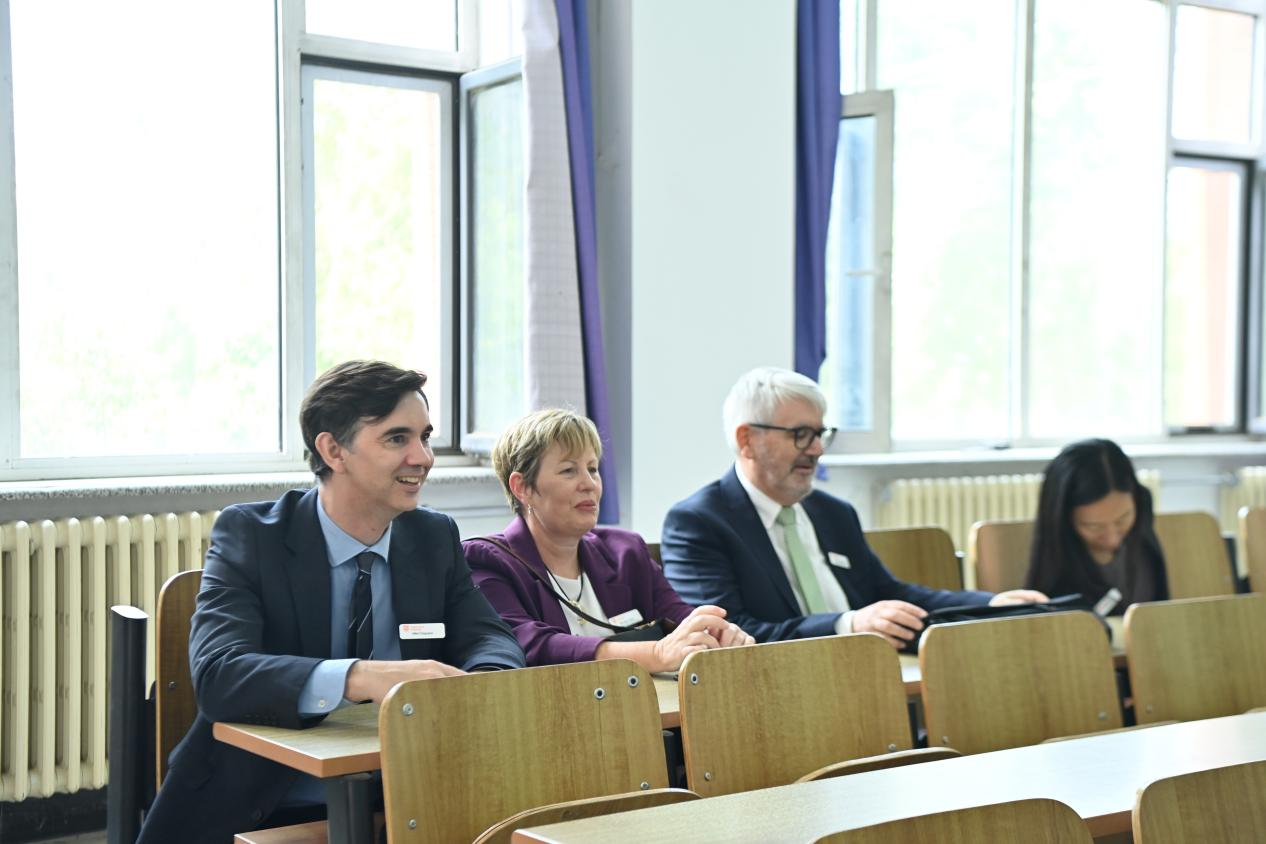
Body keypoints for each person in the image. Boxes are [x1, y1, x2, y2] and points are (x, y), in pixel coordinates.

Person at [138, 361, 524, 844]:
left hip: (404, 792)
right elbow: (220, 673)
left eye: (425, 437)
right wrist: (359, 677)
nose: (423, 457)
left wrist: (480, 686)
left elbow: (490, 637)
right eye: (397, 438)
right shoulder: (252, 535)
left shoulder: (433, 536)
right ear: (333, 450)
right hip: (262, 798)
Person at [661, 367, 1046, 648]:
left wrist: (991, 603)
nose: (817, 449)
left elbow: (889, 592)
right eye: (801, 435)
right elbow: (726, 636)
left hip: (866, 673)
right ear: (747, 440)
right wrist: (848, 625)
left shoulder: (833, 513)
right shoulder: (699, 523)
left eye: (820, 433)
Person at [464, 408, 754, 672]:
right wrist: (656, 653)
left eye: (592, 469)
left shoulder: (624, 551)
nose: (589, 484)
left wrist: (715, 633)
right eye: (568, 470)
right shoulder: (486, 560)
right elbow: (529, 644)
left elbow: (677, 616)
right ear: (522, 487)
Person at [1025, 438, 1167, 614]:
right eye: (1094, 527)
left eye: (1122, 519)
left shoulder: (1142, 515)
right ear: (1063, 520)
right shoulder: (1057, 562)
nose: (1112, 539)